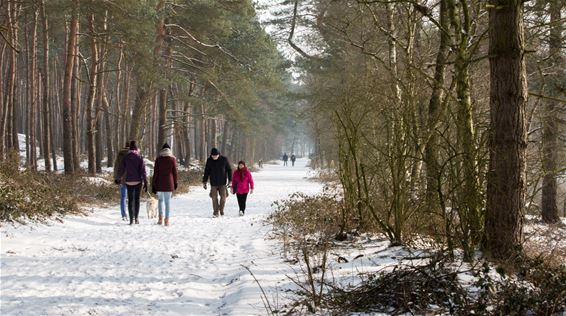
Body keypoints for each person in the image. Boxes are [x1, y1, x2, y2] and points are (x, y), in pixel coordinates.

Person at [116, 140, 148, 225]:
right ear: (136, 148)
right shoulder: (139, 157)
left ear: (130, 147)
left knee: (130, 200)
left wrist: (118, 178)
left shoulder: (126, 157)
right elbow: (143, 171)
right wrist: (145, 182)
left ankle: (131, 220)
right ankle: (136, 218)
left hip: (129, 181)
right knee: (137, 200)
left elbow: (121, 169)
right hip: (138, 182)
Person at [152, 143, 178, 226]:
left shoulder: (158, 159)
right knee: (167, 202)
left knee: (160, 201)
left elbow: (155, 173)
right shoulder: (172, 159)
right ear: (169, 150)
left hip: (159, 183)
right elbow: (175, 173)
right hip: (169, 183)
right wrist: (175, 182)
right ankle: (166, 219)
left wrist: (153, 184)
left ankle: (160, 218)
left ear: (162, 150)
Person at [202, 148, 232, 217]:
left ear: (218, 154)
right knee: (214, 197)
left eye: (215, 156)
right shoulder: (209, 160)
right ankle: (215, 212)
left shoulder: (224, 159)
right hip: (213, 183)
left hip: (222, 182)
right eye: (213, 156)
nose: (214, 157)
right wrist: (204, 181)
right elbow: (206, 171)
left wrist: (230, 180)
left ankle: (221, 210)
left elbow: (229, 170)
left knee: (223, 197)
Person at [113, 141, 130, 221]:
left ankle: (123, 215)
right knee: (132, 197)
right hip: (132, 179)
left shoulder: (120, 154)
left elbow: (116, 166)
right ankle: (132, 214)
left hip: (122, 179)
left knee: (123, 197)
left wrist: (116, 178)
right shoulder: (134, 154)